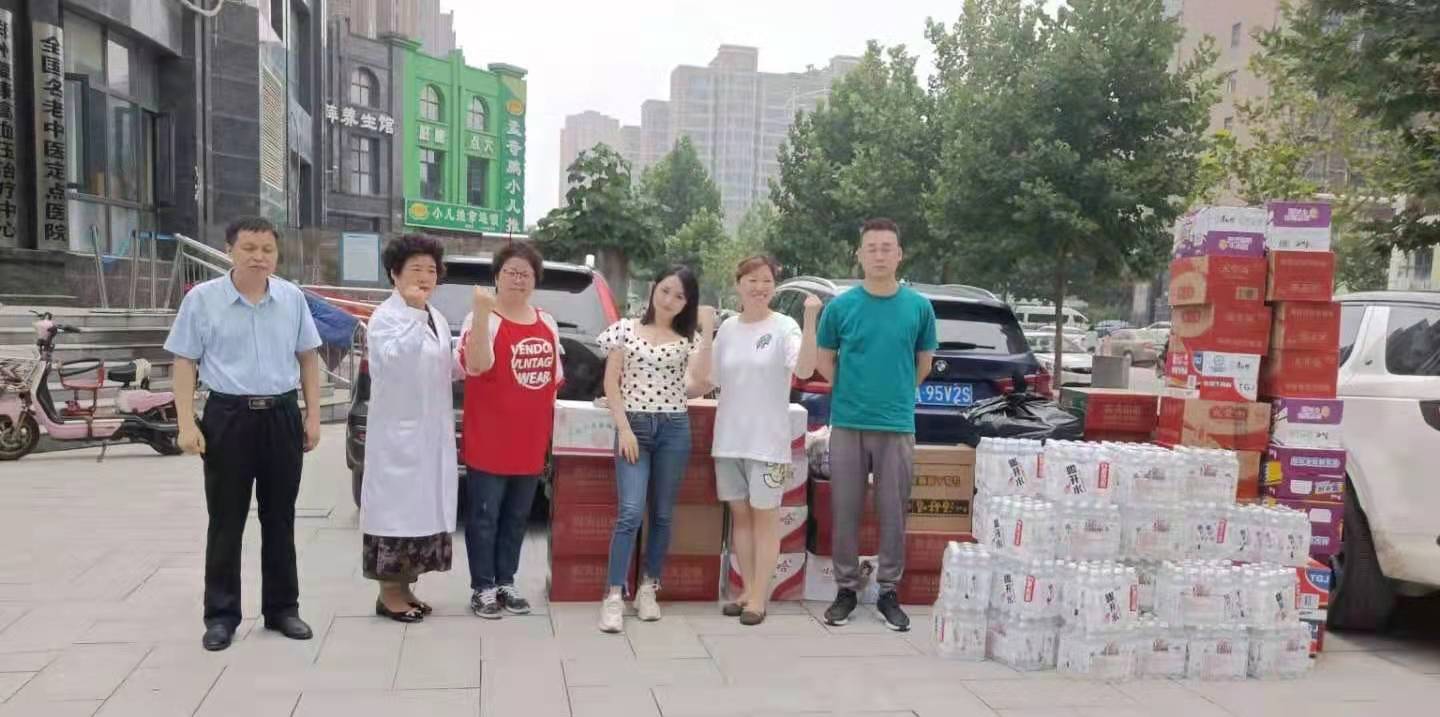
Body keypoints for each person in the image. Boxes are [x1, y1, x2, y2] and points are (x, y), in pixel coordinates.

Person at [165, 216, 323, 652]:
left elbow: (309, 358)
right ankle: (221, 615)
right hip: (228, 417)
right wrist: (185, 423)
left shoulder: (291, 298)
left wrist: (311, 417)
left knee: (281, 518)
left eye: (267, 249)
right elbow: (184, 362)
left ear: (277, 253)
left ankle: (282, 609)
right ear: (231, 250)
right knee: (226, 520)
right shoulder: (202, 300)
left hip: (281, 416)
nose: (259, 256)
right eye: (249, 248)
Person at [816, 218, 937, 632]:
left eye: (888, 247)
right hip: (848, 422)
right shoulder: (841, 307)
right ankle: (846, 589)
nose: (880, 254)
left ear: (899, 254)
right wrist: (850, 391)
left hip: (897, 424)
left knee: (892, 512)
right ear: (860, 255)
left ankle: (888, 590)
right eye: (872, 248)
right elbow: (823, 359)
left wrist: (896, 393)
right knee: (845, 510)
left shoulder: (918, 307)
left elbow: (924, 363)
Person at [596, 266, 714, 634]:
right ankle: (614, 595)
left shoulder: (688, 339)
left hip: (674, 429)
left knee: (662, 514)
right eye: (666, 291)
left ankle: (649, 587)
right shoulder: (625, 329)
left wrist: (708, 332)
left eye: (680, 296)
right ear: (653, 290)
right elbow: (611, 384)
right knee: (630, 511)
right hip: (634, 428)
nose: (670, 301)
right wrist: (624, 429)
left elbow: (700, 383)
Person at [705, 255, 819, 625]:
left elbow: (803, 369)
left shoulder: (785, 327)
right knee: (740, 517)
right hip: (729, 439)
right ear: (738, 285)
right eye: (751, 280)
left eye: (766, 279)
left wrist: (810, 318)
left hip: (767, 442)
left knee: (765, 519)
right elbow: (709, 379)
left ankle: (760, 597)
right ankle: (746, 590)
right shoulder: (728, 330)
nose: (759, 286)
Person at [458, 241, 564, 619]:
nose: (518, 279)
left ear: (535, 279)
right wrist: (482, 313)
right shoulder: (481, 319)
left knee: (517, 516)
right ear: (497, 276)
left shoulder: (546, 322)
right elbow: (477, 364)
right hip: (489, 438)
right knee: (484, 516)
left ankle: (506, 580)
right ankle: (482, 586)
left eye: (525, 273)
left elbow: (553, 383)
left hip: (530, 441)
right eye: (510, 271)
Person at [360, 234, 460, 623]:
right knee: (396, 513)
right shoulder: (387, 317)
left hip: (430, 435)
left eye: (431, 270)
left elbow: (443, 367)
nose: (425, 276)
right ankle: (389, 594)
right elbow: (394, 364)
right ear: (394, 274)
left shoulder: (433, 315)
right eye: (415, 269)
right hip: (398, 439)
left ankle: (405, 588)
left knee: (421, 512)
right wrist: (415, 314)